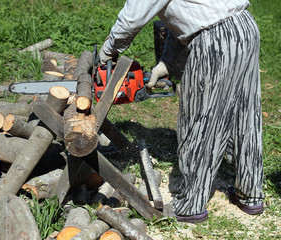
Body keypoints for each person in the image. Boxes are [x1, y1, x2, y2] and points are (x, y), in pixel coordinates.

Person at [99, 0, 264, 223]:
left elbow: (132, 18)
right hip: (245, 28)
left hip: (214, 41)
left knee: (200, 120)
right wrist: (166, 62)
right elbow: (188, 18)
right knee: (245, 115)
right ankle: (250, 193)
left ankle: (191, 205)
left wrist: (108, 51)